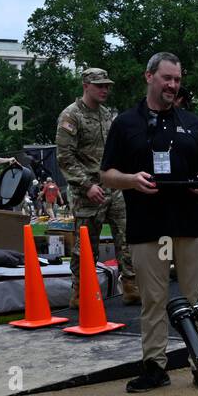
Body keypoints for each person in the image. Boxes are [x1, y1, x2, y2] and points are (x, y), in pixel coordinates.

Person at [101, 52, 198, 392]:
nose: (172, 85)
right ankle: (155, 365)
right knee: (153, 299)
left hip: (191, 223)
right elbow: (107, 174)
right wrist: (131, 180)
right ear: (149, 77)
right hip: (147, 225)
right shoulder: (125, 124)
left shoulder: (193, 123)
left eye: (177, 80)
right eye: (167, 78)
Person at [56, 67, 136, 307]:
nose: (105, 89)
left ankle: (131, 285)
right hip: (87, 192)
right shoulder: (71, 116)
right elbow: (65, 157)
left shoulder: (108, 115)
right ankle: (81, 290)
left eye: (107, 85)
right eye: (99, 85)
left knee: (126, 236)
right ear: (86, 86)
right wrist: (87, 184)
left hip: (113, 187)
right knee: (86, 244)